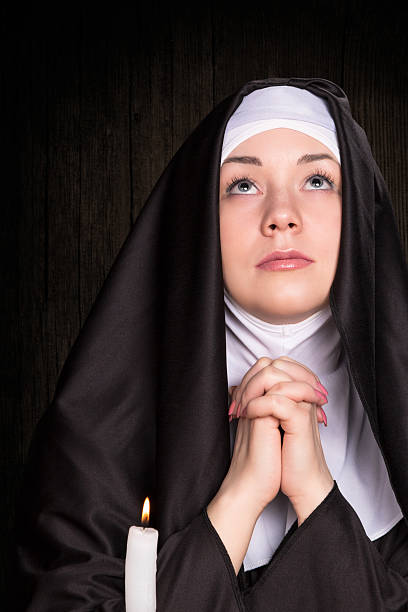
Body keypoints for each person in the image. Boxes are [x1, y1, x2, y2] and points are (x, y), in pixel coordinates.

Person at [15, 77, 408, 611]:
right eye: (243, 185)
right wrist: (237, 502)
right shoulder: (92, 439)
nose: (281, 214)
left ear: (359, 208)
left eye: (317, 179)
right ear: (199, 219)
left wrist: (316, 494)